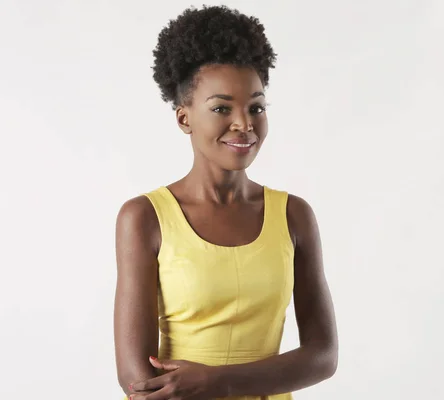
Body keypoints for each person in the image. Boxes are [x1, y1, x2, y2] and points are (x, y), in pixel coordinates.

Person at [113, 5, 338, 400]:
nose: (244, 123)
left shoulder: (294, 216)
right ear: (185, 119)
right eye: (221, 108)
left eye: (256, 107)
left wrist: (219, 381)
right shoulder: (145, 217)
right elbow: (137, 381)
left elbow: (323, 356)